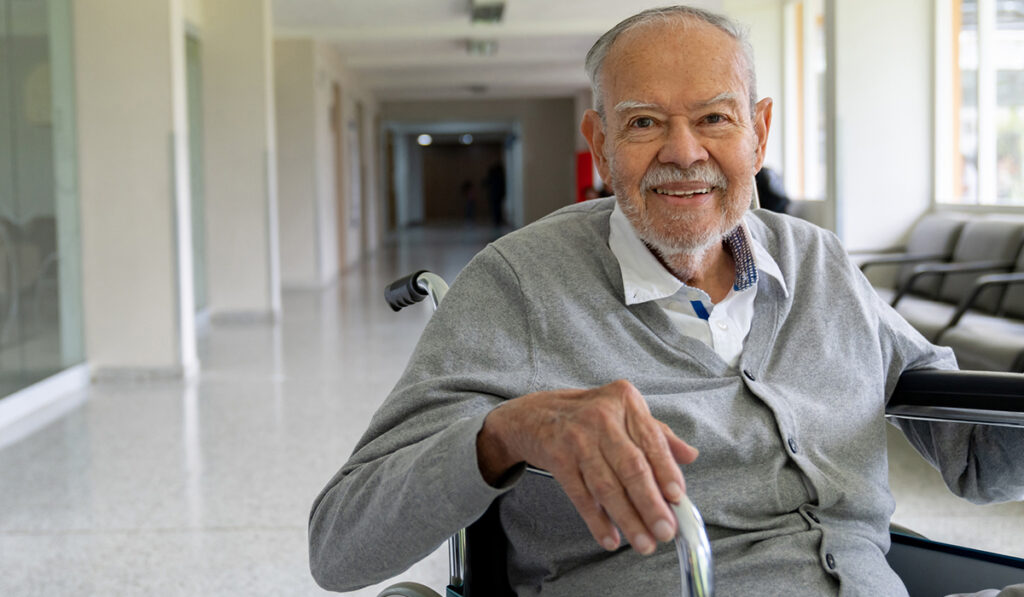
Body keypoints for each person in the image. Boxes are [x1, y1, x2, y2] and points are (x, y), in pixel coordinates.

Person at [309, 6, 1024, 596]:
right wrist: (503, 434)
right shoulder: (519, 285)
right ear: (601, 141)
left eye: (715, 118)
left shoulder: (821, 263)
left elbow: (979, 457)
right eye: (644, 122)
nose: (684, 152)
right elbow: (340, 545)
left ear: (760, 130)